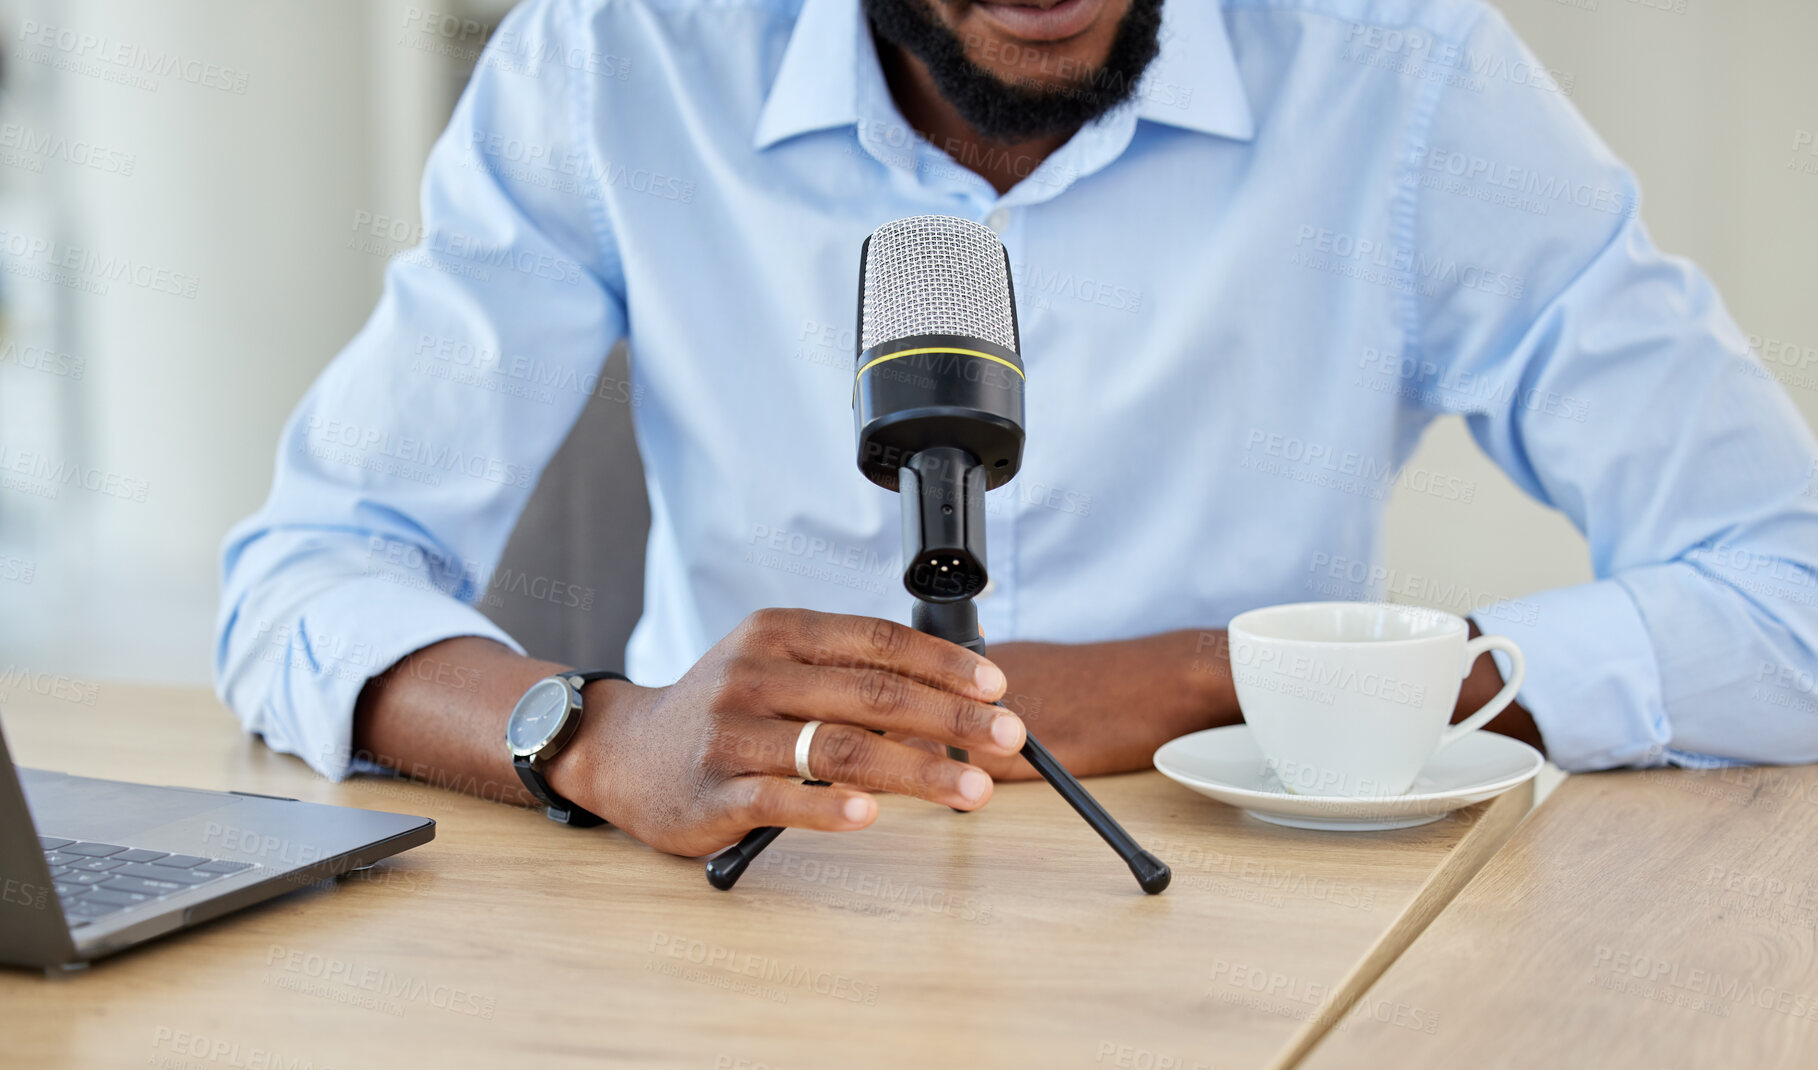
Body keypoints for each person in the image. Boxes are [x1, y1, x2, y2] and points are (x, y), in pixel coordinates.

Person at [216, 0, 1818, 859]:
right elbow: (307, 575)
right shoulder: (618, 53)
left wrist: (1224, 678)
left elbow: (1787, 595)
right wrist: (586, 733)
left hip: (1247, 932)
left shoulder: (1400, 75)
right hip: (744, 910)